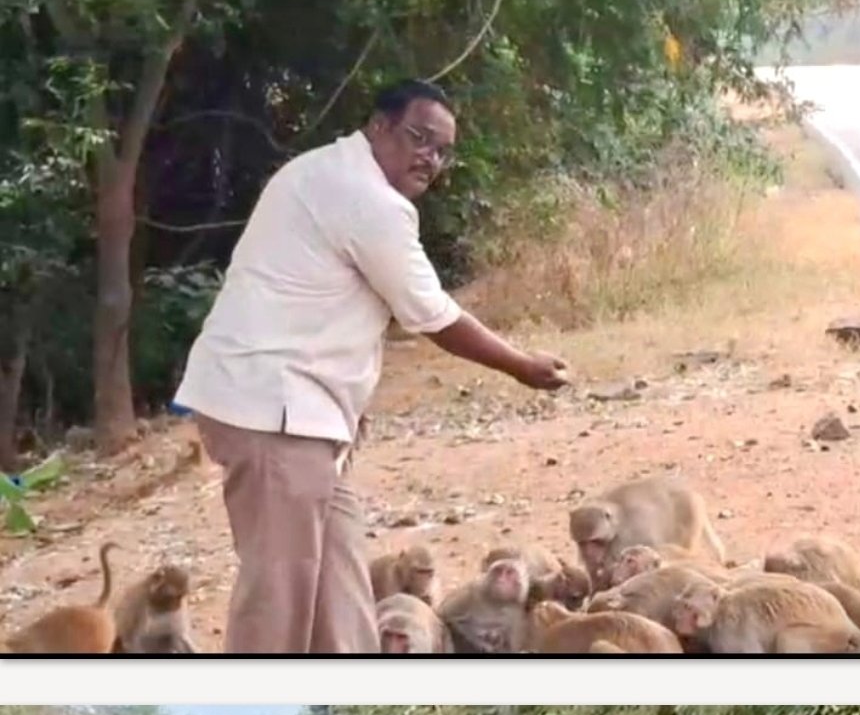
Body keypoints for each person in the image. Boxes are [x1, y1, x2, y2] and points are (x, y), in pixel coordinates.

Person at [173, 76, 570, 656]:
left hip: (295, 412)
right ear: (379, 126)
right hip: (274, 410)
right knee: (280, 594)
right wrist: (522, 366)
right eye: (419, 138)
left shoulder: (322, 171)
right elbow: (432, 315)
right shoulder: (367, 199)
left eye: (441, 150)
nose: (430, 158)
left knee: (339, 583)